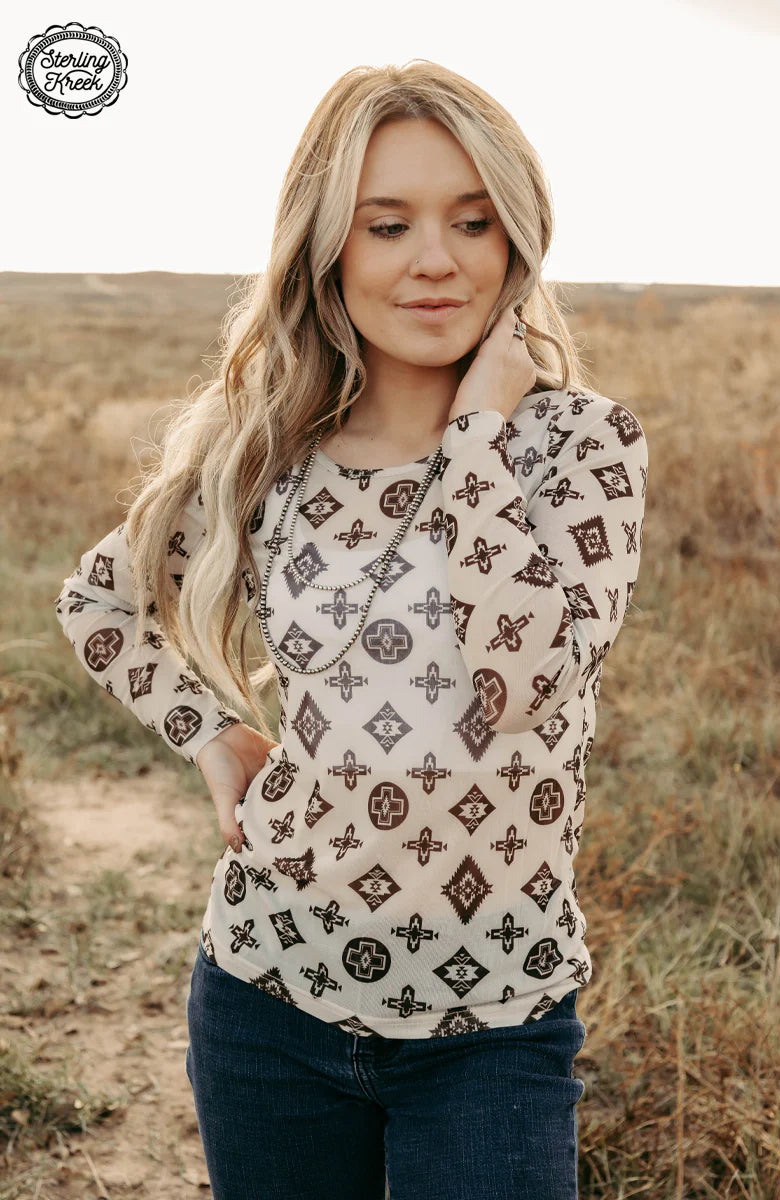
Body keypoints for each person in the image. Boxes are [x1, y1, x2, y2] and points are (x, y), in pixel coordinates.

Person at [55, 59, 648, 1200]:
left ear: (515, 240)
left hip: (495, 1028)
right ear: (331, 247)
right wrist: (215, 737)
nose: (436, 257)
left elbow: (520, 681)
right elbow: (97, 606)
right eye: (389, 224)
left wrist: (477, 438)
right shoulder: (270, 455)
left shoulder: (581, 447)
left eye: (472, 221)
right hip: (266, 1000)